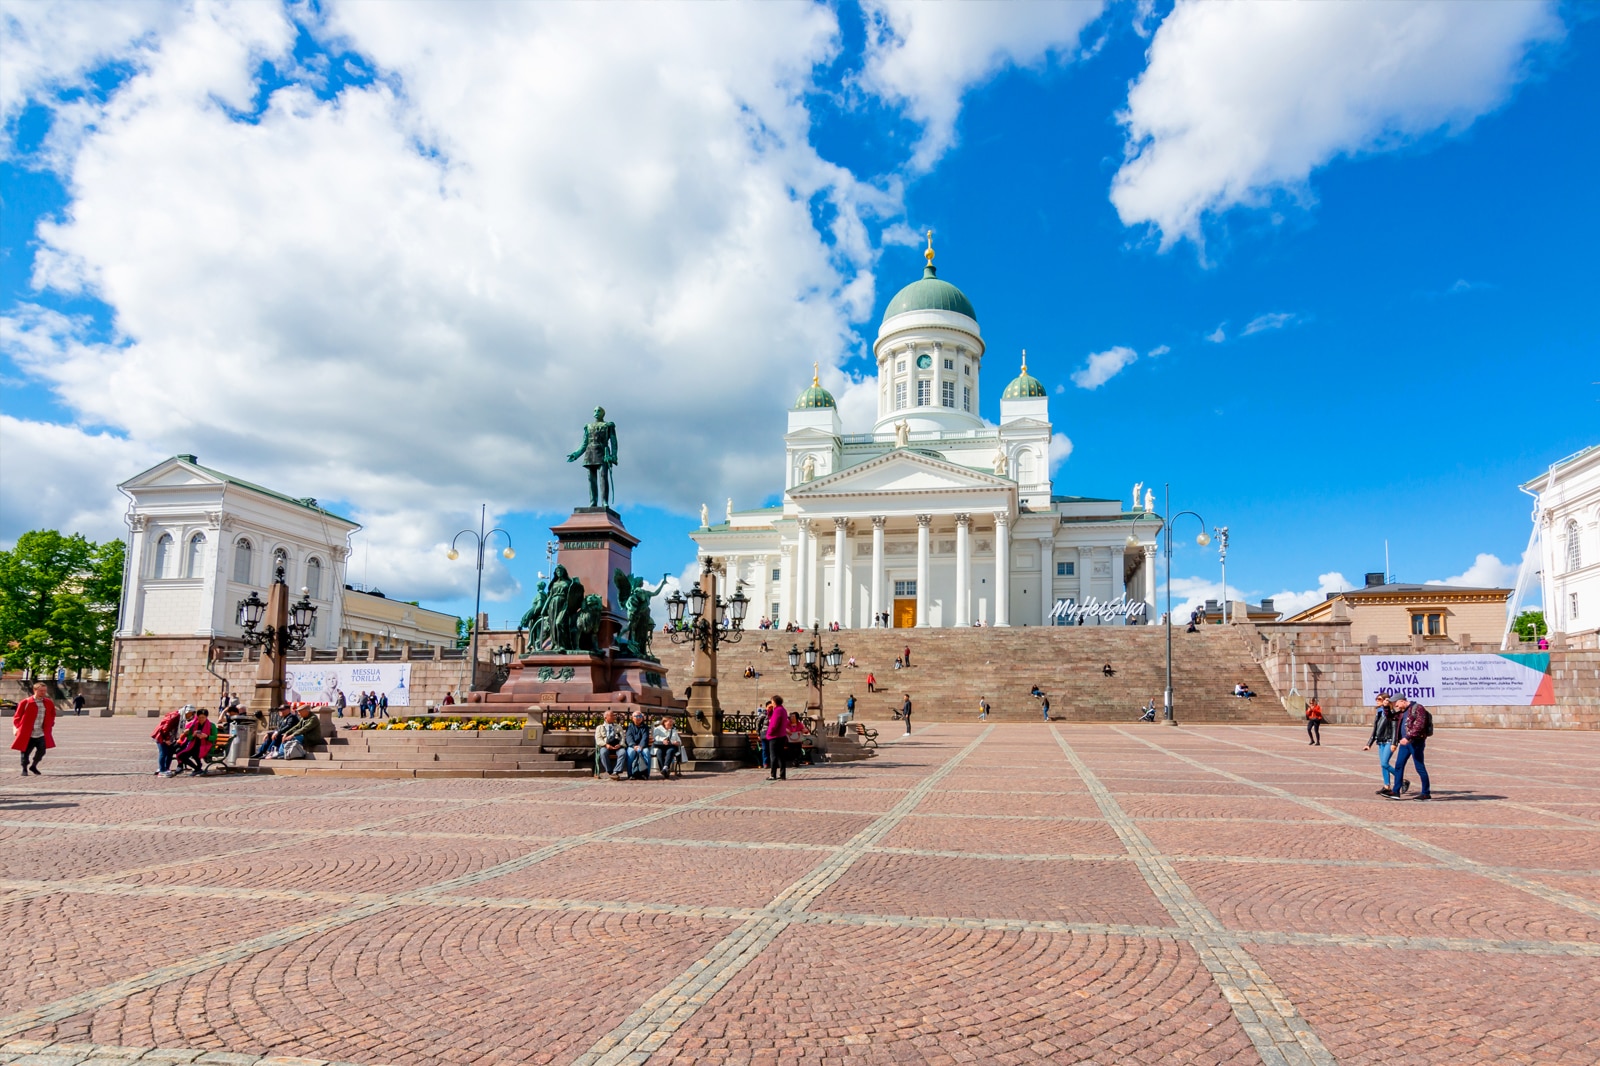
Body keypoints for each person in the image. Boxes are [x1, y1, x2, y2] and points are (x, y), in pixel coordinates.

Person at [1363, 694, 1409, 797]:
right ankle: (1387, 786)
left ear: (1386, 701)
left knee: (1384, 763)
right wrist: (1369, 744)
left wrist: (1394, 743)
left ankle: (1402, 780)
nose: (1377, 701)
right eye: (1377, 699)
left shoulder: (1392, 713)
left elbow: (1394, 729)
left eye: (1379, 699)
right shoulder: (1379, 713)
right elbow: (1375, 729)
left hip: (1388, 741)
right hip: (1380, 741)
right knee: (1383, 765)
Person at [1388, 697, 1433, 801]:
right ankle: (1395, 791)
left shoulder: (1418, 708)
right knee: (1399, 765)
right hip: (1405, 744)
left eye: (1397, 703)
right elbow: (1390, 717)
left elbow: (1419, 725)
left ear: (1402, 700)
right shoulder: (1402, 711)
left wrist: (1408, 737)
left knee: (1419, 767)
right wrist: (1386, 707)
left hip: (1416, 742)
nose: (1396, 706)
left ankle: (1426, 793)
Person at [12, 681, 57, 776]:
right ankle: (24, 768)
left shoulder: (48, 702)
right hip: (28, 732)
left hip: (41, 732)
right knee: (25, 752)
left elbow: (52, 714)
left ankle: (34, 765)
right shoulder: (26, 702)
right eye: (41, 691)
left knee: (42, 751)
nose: (43, 693)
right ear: (35, 690)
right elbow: (17, 716)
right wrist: (18, 728)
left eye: (45, 691)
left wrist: (51, 724)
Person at [175, 708, 218, 774]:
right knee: (181, 755)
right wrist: (193, 735)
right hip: (193, 745)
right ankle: (197, 768)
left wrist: (206, 736)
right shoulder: (194, 725)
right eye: (199, 717)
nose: (201, 719)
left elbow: (214, 737)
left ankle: (198, 767)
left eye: (203, 717)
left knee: (195, 753)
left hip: (206, 746)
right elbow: (189, 738)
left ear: (206, 717)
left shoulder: (212, 726)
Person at [152, 705, 184, 776]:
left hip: (168, 737)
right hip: (162, 737)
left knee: (169, 753)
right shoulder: (175, 716)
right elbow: (165, 728)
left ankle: (165, 768)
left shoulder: (179, 717)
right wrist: (166, 739)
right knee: (163, 753)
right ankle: (162, 770)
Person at [764, 696, 790, 780]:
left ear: (775, 702)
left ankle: (773, 775)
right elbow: (771, 719)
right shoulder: (783, 710)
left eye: (772, 702)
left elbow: (774, 724)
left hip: (775, 736)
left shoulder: (778, 710)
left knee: (773, 755)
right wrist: (770, 711)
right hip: (781, 735)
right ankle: (782, 774)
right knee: (780, 755)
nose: (771, 704)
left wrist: (769, 733)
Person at [595, 710, 625, 778]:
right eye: (612, 716)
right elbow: (598, 739)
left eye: (614, 715)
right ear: (605, 718)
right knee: (603, 752)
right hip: (606, 745)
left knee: (622, 753)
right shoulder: (599, 728)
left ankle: (616, 771)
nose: (614, 717)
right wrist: (606, 745)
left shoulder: (618, 727)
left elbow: (622, 737)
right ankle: (610, 771)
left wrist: (620, 744)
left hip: (617, 746)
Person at [624, 710, 652, 779]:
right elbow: (629, 737)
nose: (638, 718)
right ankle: (631, 774)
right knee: (631, 753)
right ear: (632, 718)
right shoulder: (629, 727)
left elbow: (645, 737)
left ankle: (645, 774)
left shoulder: (645, 727)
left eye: (640, 716)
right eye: (636, 716)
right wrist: (634, 746)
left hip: (642, 746)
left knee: (646, 752)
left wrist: (641, 746)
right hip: (632, 746)